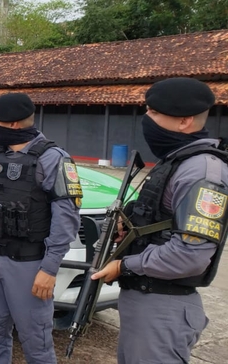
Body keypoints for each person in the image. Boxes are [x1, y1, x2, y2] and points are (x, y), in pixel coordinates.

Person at [91, 77, 227, 363]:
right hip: (145, 301)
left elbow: (191, 256)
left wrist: (124, 265)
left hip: (164, 306)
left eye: (153, 112)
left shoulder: (202, 172)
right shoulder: (176, 160)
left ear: (184, 122)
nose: (146, 118)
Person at [0, 92, 82, 364]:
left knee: (35, 342)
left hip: (29, 265)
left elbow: (66, 220)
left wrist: (50, 268)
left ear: (14, 125)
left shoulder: (52, 159)